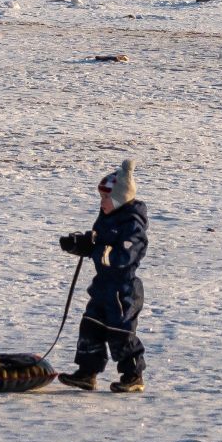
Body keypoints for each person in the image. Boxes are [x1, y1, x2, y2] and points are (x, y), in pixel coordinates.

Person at [57, 160, 147, 394]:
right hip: (103, 286)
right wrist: (80, 244)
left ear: (119, 199)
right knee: (91, 326)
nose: (102, 203)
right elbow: (98, 243)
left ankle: (132, 375)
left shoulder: (132, 225)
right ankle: (87, 372)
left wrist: (98, 250)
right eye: (101, 198)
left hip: (123, 290)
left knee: (120, 332)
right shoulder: (107, 219)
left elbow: (123, 255)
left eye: (106, 199)